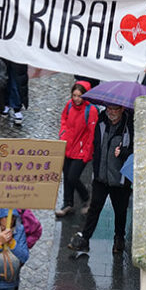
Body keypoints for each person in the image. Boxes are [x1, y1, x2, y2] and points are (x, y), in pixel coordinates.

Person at [68, 103, 133, 254]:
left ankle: (119, 238)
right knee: (94, 209)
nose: (111, 112)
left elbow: (136, 149)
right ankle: (85, 239)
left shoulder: (129, 126)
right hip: (101, 176)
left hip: (120, 179)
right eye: (109, 108)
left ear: (122, 109)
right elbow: (96, 144)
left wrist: (124, 152)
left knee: (120, 211)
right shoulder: (101, 121)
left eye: (114, 109)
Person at [57, 81, 98, 217]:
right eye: (74, 95)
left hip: (81, 151)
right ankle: (67, 203)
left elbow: (92, 134)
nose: (76, 99)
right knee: (67, 176)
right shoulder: (69, 105)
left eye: (79, 96)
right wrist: (63, 134)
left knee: (72, 177)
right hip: (68, 147)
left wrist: (87, 152)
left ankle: (86, 196)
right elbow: (64, 119)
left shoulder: (91, 110)